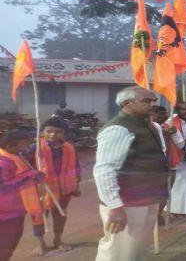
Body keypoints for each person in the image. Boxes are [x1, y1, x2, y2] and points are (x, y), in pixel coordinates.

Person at [93, 86, 169, 261]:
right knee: (119, 251)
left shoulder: (149, 125)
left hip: (147, 198)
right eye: (146, 101)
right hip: (126, 202)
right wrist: (114, 206)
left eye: (153, 101)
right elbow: (105, 169)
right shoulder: (118, 128)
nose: (152, 105)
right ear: (127, 103)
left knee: (138, 248)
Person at [25, 118, 80, 255]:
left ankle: (58, 240)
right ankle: (40, 243)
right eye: (49, 131)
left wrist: (77, 185)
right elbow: (22, 165)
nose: (52, 135)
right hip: (41, 190)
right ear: (42, 132)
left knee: (60, 216)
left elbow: (76, 167)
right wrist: (33, 173)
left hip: (64, 189)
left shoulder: (69, 147)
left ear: (64, 133)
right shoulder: (35, 148)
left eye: (58, 132)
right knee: (39, 217)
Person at [0, 131, 43, 261]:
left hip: (16, 209)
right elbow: (3, 186)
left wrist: (34, 177)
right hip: (6, 213)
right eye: (25, 144)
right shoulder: (3, 162)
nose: (28, 146)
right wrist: (28, 176)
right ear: (11, 145)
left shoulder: (16, 156)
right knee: (6, 245)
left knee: (10, 243)